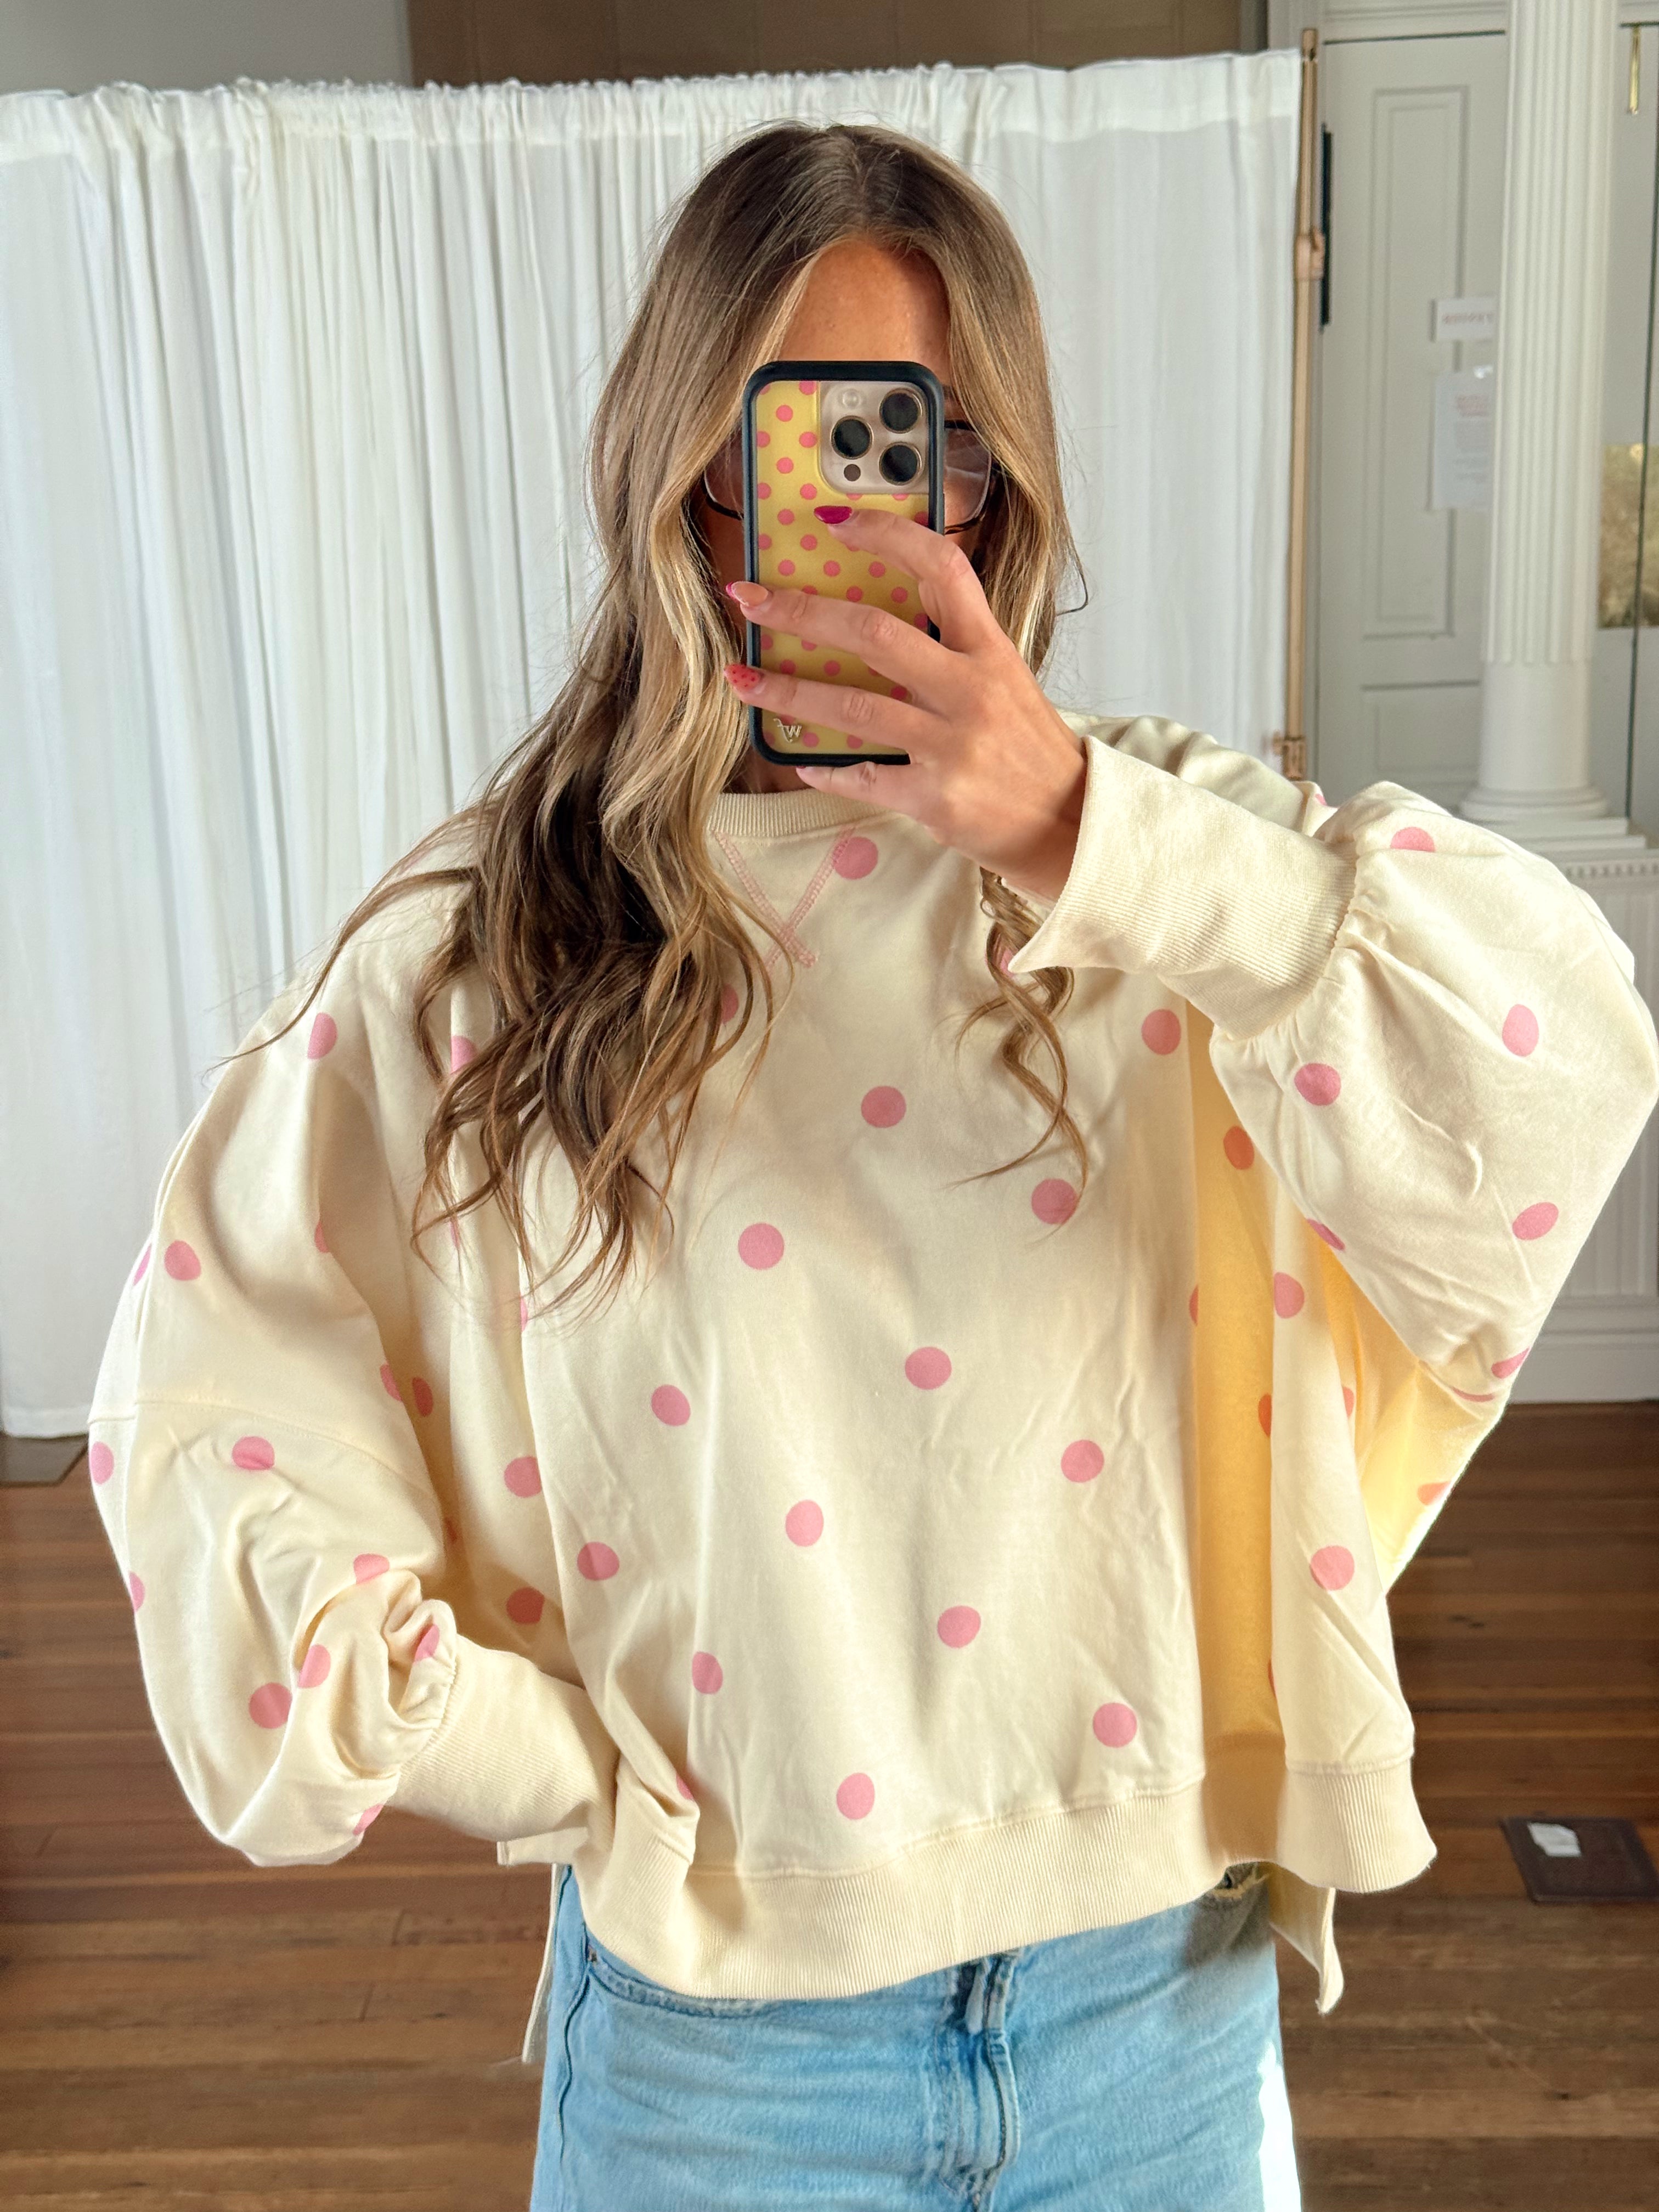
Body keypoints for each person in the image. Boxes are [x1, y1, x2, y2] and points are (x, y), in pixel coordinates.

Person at [86, 121, 1659, 2212]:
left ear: (998, 487)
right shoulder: (496, 954)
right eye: (797, 442)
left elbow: (1558, 1076)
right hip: (721, 2065)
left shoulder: (1181, 873)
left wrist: (1079, 829)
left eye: (927, 449)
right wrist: (546, 1769)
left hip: (1158, 2017)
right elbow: (210, 1408)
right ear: (683, 468)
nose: (864, 515)